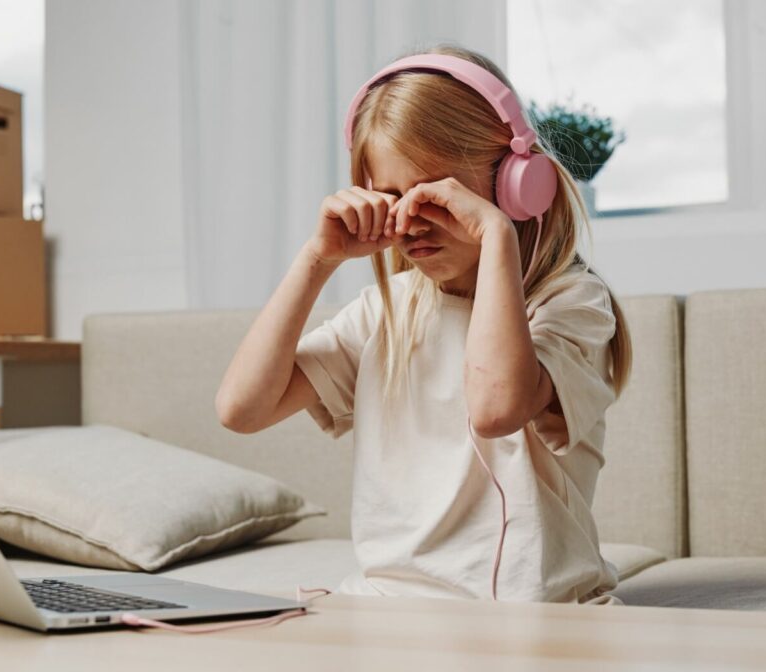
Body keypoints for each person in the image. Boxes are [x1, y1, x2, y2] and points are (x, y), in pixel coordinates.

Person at [216, 43, 633, 605]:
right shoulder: (385, 312)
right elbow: (242, 409)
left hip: (532, 611)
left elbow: (494, 409)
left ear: (517, 183)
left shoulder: (571, 303)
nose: (412, 219)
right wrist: (316, 260)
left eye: (437, 194)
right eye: (390, 197)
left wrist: (494, 240)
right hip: (382, 605)